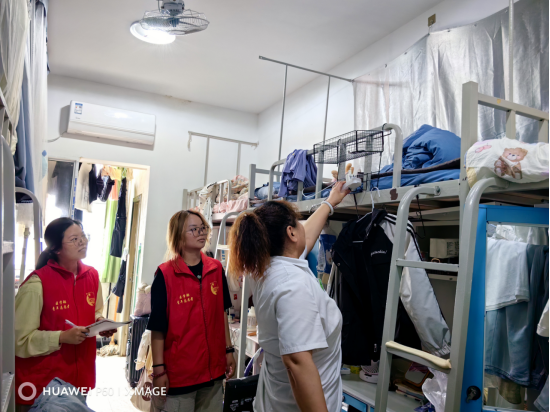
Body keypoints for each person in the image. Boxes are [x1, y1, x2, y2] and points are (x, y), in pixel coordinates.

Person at [228, 181, 350, 412]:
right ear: (291, 233)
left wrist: (329, 203)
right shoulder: (293, 285)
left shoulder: (264, 268)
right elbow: (296, 363)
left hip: (275, 402)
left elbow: (305, 239)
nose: (304, 226)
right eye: (298, 223)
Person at [15, 218, 116, 411]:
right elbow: (19, 340)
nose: (82, 242)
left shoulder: (92, 275)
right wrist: (61, 337)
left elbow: (95, 310)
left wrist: (100, 322)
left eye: (83, 236)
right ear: (56, 249)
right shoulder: (36, 284)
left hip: (79, 378)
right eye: (74, 239)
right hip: (41, 386)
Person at [149, 210, 236, 412]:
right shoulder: (165, 274)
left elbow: (222, 313)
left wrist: (228, 350)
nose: (201, 232)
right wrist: (159, 370)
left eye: (203, 228)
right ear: (179, 235)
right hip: (180, 375)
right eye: (194, 229)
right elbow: (157, 327)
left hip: (213, 372)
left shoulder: (216, 268)